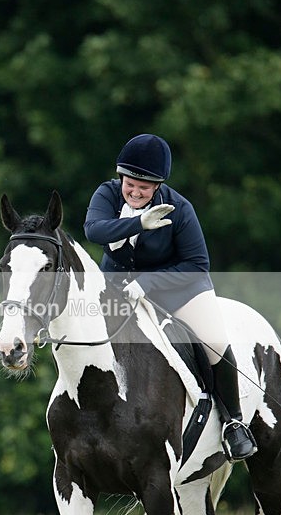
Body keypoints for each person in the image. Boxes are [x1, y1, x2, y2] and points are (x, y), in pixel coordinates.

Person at [84, 133, 257, 461]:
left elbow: (197, 264)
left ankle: (234, 423)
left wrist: (148, 282)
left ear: (158, 186)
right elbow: (94, 229)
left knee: (214, 341)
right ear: (121, 178)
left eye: (144, 187)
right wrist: (138, 223)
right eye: (130, 184)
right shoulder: (107, 193)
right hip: (118, 288)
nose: (135, 192)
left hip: (179, 288)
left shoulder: (179, 209)